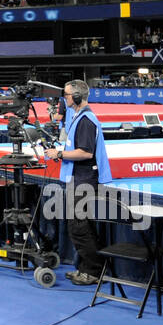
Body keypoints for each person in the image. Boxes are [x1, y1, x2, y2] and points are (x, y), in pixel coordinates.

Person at [51, 78, 113, 286]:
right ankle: (86, 268)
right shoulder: (77, 116)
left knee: (79, 227)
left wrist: (59, 153)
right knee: (77, 226)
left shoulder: (87, 120)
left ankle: (94, 271)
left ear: (76, 97)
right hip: (76, 178)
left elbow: (85, 153)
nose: (64, 99)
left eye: (67, 95)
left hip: (84, 179)